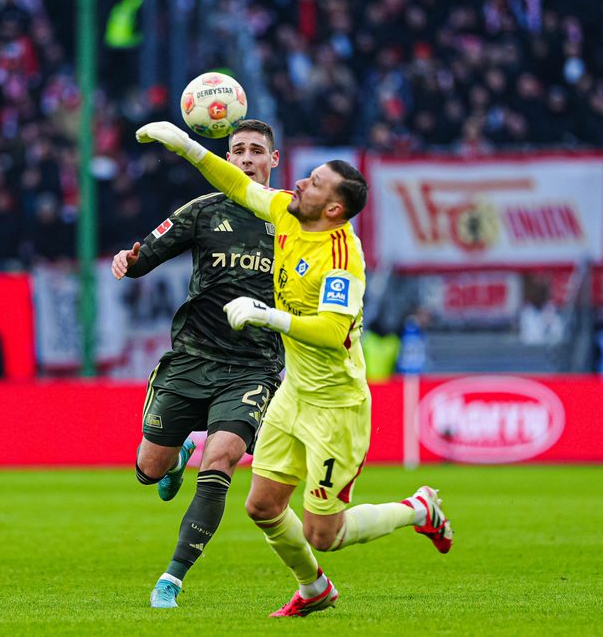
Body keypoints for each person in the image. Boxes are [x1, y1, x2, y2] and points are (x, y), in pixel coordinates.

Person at [136, 121, 453, 617]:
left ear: (333, 209)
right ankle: (314, 589)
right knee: (262, 506)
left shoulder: (341, 258)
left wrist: (269, 317)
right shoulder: (286, 210)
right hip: (293, 394)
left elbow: (331, 330)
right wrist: (189, 148)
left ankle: (418, 509)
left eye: (315, 182)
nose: (301, 182)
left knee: (323, 533)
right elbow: (238, 185)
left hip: (335, 406)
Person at [112, 120, 284, 609]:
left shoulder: (292, 217)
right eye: (238, 150)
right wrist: (128, 259)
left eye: (256, 151)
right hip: (192, 358)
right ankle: (178, 453)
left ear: (273, 160)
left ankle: (172, 578)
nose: (246, 158)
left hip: (253, 366)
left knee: (223, 459)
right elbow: (146, 255)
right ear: (227, 159)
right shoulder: (204, 210)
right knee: (149, 470)